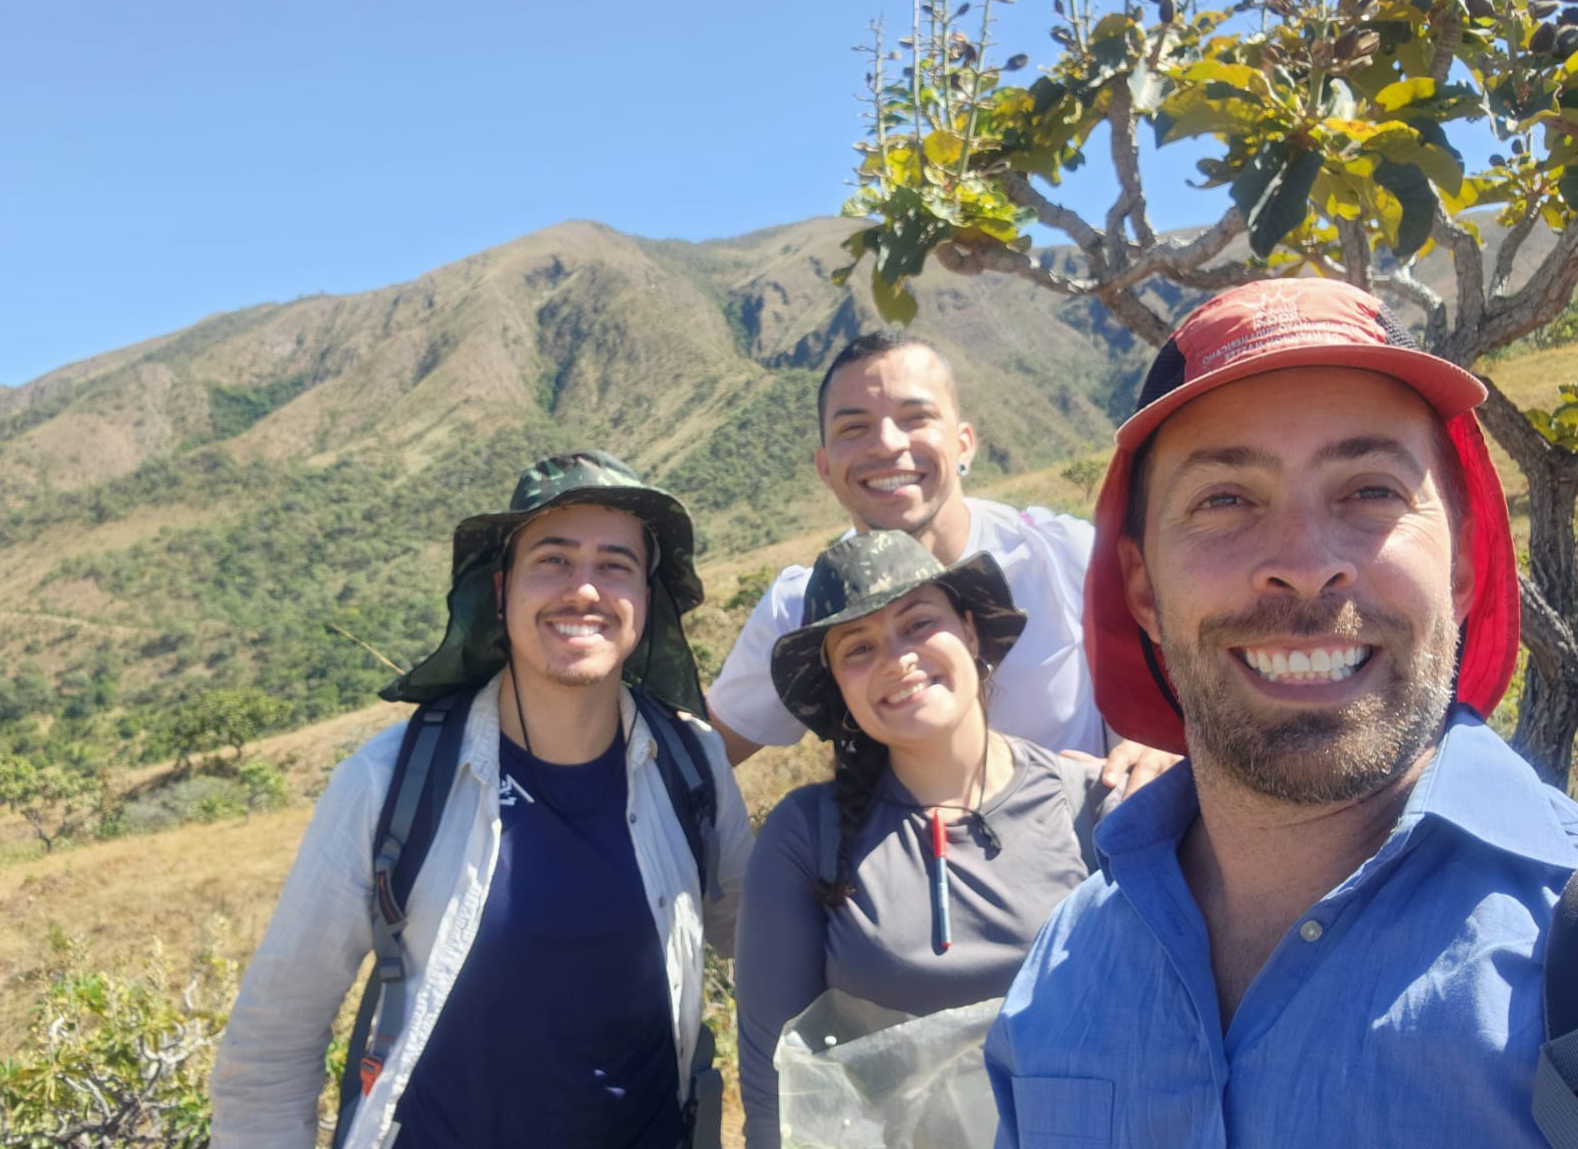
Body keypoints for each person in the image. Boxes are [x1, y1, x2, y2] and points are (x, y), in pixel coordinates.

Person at [986, 278, 1578, 1147]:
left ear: (1461, 567)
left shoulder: (1559, 945)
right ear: (1144, 590)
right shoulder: (1066, 967)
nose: (1304, 564)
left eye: (1371, 491)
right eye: (1225, 499)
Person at [211, 450, 753, 1149]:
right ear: (501, 591)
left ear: (647, 600)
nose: (584, 590)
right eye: (553, 559)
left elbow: (761, 939)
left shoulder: (691, 765)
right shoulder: (389, 782)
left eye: (616, 565)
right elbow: (272, 1043)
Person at [735, 530, 1134, 1149]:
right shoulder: (806, 837)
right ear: (839, 688)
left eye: (918, 623)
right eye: (858, 648)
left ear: (971, 633)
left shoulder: (1089, 806)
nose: (897, 659)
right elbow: (775, 1089)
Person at [708, 330, 1170, 790]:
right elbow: (699, 760)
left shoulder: (1067, 556)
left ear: (963, 443)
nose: (887, 444)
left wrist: (1165, 742)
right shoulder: (803, 608)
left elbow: (1188, 682)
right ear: (824, 467)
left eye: (916, 417)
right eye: (854, 428)